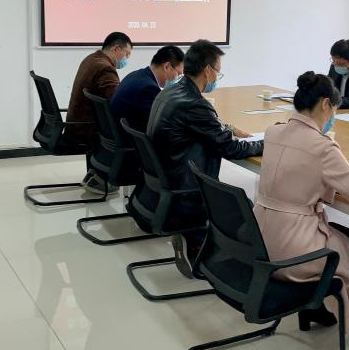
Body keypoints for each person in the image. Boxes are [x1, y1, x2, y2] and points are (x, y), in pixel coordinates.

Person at [254, 71, 349, 343]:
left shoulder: (273, 131)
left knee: (343, 235)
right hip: (292, 249)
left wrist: (345, 171)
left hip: (259, 238)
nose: (332, 116)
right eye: (333, 109)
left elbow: (301, 169)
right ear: (325, 104)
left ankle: (319, 308)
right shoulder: (323, 146)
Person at [146, 39, 262, 277]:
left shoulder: (170, 91)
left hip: (167, 178)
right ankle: (202, 250)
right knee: (247, 208)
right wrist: (267, 143)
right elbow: (231, 149)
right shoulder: (194, 103)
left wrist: (225, 127)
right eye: (218, 71)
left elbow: (201, 127)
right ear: (207, 70)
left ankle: (196, 240)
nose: (217, 77)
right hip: (187, 190)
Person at [64, 31, 133, 191]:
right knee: (133, 131)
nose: (127, 59)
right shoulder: (105, 68)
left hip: (77, 123)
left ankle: (97, 173)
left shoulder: (91, 59)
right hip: (87, 129)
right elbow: (116, 102)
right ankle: (111, 177)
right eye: (127, 54)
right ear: (117, 49)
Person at [110, 45, 185, 133]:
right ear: (167, 67)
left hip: (117, 131)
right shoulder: (149, 88)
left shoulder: (137, 75)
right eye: (178, 73)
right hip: (127, 137)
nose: (178, 78)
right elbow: (158, 124)